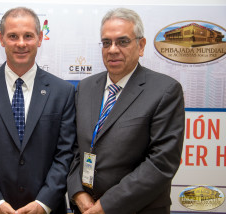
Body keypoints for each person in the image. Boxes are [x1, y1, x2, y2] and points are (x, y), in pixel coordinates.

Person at [67, 8, 185, 214]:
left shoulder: (165, 90)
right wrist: (78, 193)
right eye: (106, 42)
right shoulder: (85, 88)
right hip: (85, 208)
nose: (112, 49)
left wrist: (106, 206)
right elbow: (75, 147)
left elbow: (161, 162)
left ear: (141, 46)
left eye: (122, 41)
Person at [0, 7, 76, 214]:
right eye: (13, 36)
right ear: (1, 39)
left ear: (40, 39)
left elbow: (65, 154)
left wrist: (43, 203)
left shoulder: (64, 92)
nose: (21, 43)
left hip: (46, 208)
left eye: (28, 36)